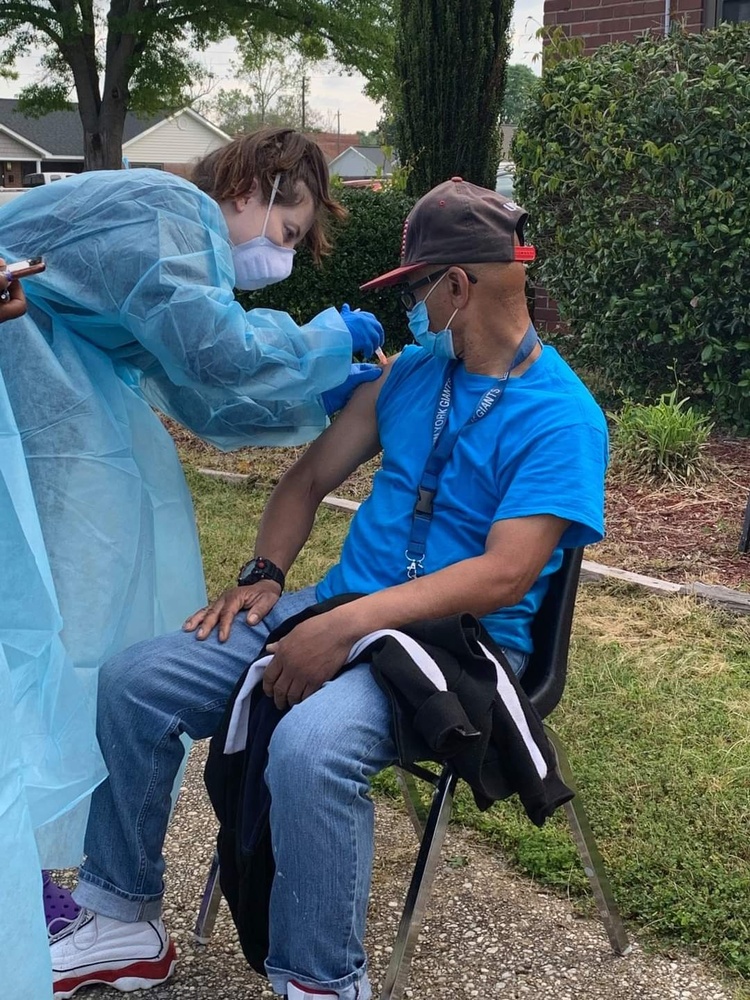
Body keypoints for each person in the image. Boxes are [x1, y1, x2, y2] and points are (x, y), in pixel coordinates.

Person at [49, 178, 608, 1000]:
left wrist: (345, 629)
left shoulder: (564, 417)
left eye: (417, 288)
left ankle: (319, 984)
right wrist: (268, 576)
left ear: (456, 285)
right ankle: (124, 920)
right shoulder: (416, 374)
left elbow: (505, 575)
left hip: (460, 648)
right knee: (137, 683)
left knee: (309, 746)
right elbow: (307, 479)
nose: (409, 309)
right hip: (339, 608)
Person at [0, 128, 383, 996]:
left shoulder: (180, 259)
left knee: (59, 633)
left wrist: (317, 392)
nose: (281, 258)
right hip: (21, 390)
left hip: (44, 399)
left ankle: (49, 888)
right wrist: (327, 342)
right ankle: (43, 890)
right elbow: (216, 353)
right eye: (288, 234)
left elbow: (199, 394)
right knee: (42, 631)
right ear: (256, 182)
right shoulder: (164, 211)